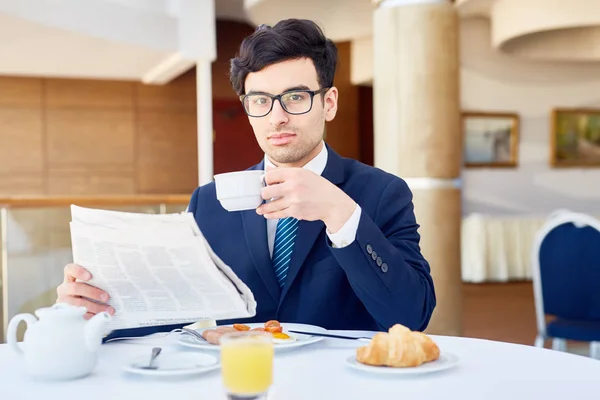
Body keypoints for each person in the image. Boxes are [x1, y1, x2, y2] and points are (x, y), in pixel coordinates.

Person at [56, 18, 436, 339]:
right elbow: (172, 312)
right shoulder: (209, 202)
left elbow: (410, 316)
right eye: (260, 100)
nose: (277, 117)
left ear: (329, 102)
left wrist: (341, 215)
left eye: (296, 97)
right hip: (239, 384)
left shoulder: (382, 193)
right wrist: (98, 309)